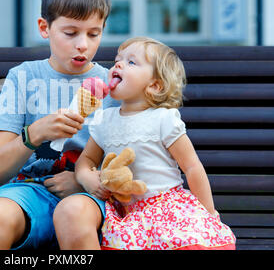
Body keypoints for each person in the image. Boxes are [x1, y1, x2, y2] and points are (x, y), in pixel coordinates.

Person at [0, 0, 119, 250]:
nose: (83, 45)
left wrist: (83, 180)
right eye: (71, 33)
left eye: (93, 33)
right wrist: (35, 133)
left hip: (89, 200)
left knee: (73, 214)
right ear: (44, 27)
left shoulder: (114, 87)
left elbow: (132, 165)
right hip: (28, 194)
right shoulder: (22, 78)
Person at [72, 36, 236, 250]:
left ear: (155, 86)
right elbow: (86, 159)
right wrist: (86, 177)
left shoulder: (163, 119)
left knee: (185, 243)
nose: (118, 64)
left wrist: (209, 213)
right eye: (117, 60)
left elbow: (192, 167)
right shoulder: (106, 119)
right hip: (126, 216)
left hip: (165, 207)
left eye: (131, 62)